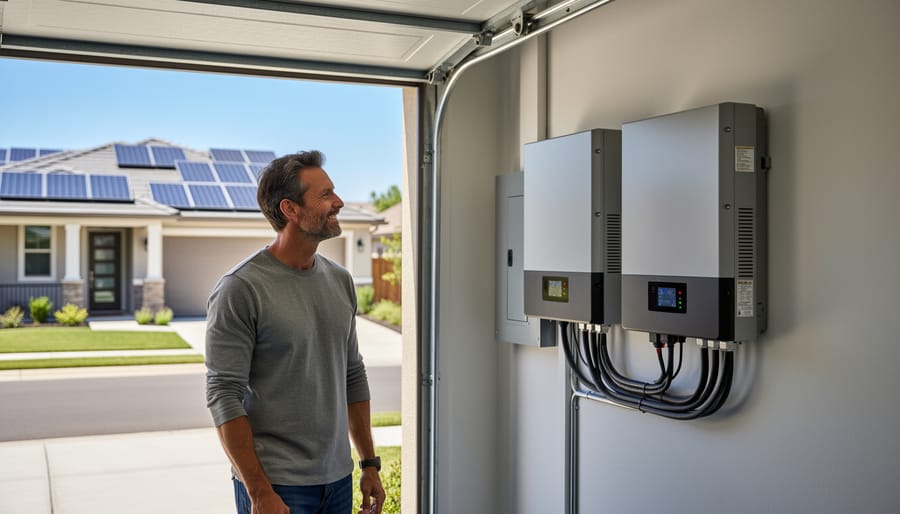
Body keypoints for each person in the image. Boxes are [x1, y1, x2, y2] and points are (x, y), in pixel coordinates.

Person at [205, 150, 385, 514]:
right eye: (325, 195)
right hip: (277, 486)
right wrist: (259, 492)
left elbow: (352, 374)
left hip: (338, 480)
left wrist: (368, 464)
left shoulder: (340, 280)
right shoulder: (241, 288)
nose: (339, 202)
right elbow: (223, 394)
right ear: (290, 209)